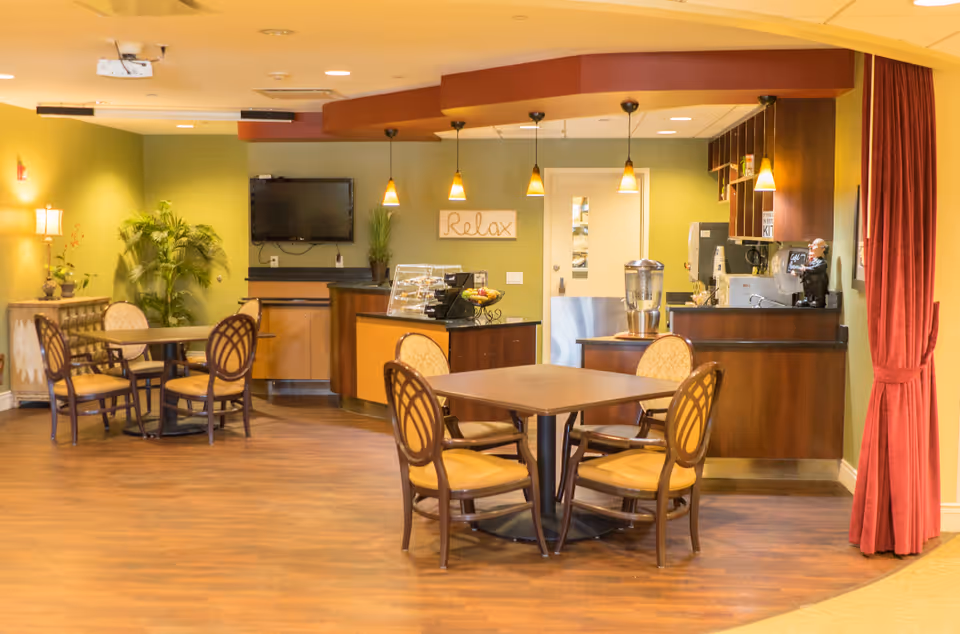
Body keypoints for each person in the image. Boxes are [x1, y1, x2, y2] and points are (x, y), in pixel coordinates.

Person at [792, 238, 829, 308]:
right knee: (808, 286)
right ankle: (808, 299)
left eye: (815, 246)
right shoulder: (812, 261)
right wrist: (798, 272)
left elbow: (815, 269)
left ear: (823, 249)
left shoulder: (822, 262)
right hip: (809, 285)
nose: (812, 248)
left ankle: (818, 300)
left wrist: (805, 269)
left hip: (817, 285)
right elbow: (805, 270)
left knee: (817, 284)